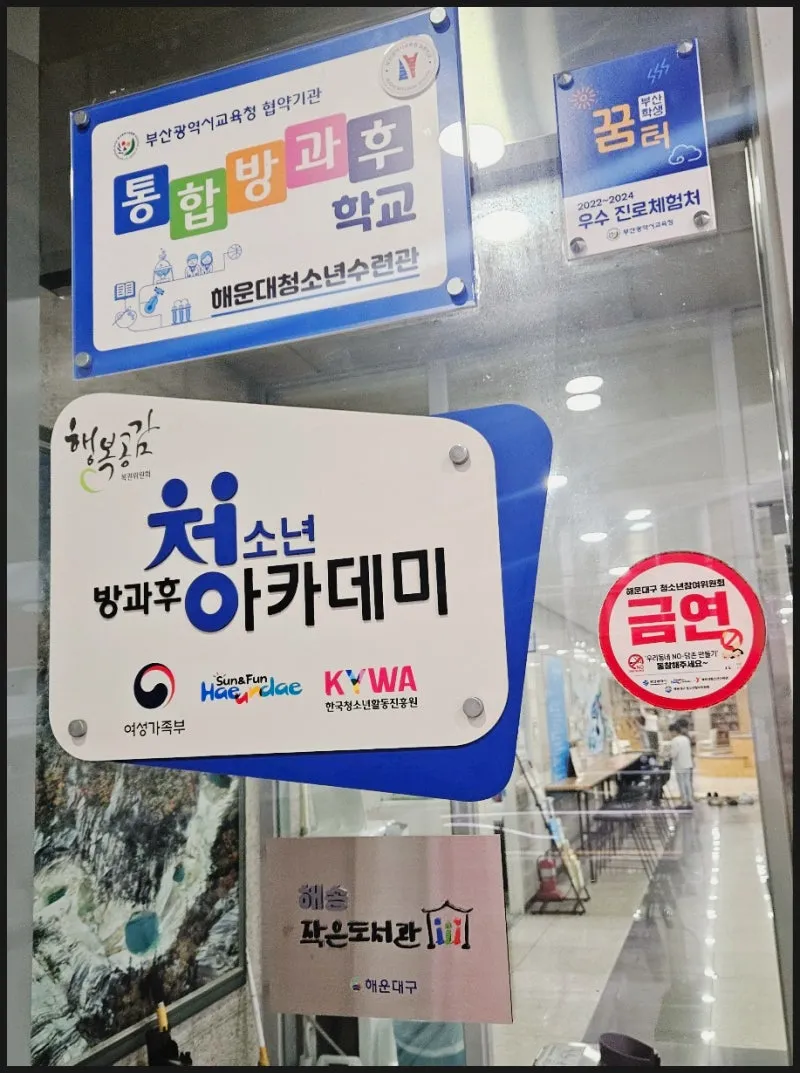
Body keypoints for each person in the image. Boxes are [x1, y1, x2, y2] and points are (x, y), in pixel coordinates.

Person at [667, 721, 694, 808]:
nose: (670, 734)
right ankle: (690, 801)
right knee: (687, 783)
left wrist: (668, 755)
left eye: (671, 732)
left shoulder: (675, 741)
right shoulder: (686, 739)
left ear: (674, 731)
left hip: (679, 765)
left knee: (681, 784)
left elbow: (674, 754)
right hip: (688, 764)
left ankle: (684, 802)